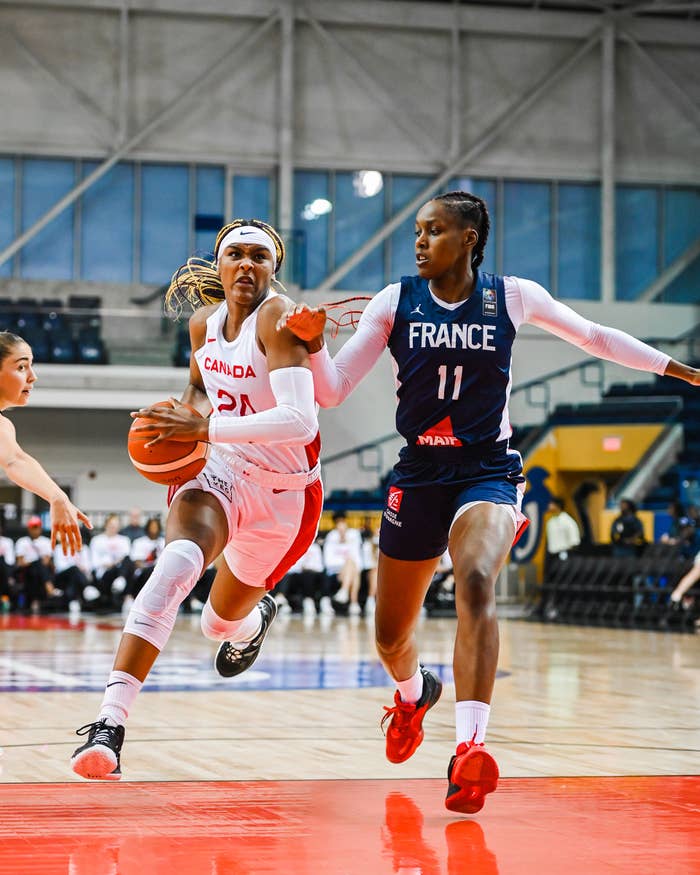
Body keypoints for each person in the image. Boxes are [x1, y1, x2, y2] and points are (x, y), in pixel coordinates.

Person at [277, 190, 700, 814]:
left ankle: (470, 749)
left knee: (476, 578)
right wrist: (312, 347)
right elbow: (334, 392)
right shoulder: (397, 302)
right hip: (419, 472)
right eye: (418, 231)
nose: (420, 241)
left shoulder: (513, 295)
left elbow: (595, 338)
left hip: (488, 471)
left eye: (435, 231)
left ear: (470, 237)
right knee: (391, 636)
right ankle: (412, 694)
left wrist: (685, 371)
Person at [70, 218, 323, 781]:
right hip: (223, 473)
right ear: (219, 263)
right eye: (236, 254)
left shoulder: (279, 318)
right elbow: (199, 392)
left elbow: (300, 421)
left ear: (273, 268)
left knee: (215, 624)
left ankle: (250, 619)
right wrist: (179, 424)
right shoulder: (203, 323)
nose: (247, 265)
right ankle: (110, 725)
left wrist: (204, 430)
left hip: (284, 495)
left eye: (260, 256)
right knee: (176, 565)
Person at [0, 332, 89, 574]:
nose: (33, 376)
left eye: (31, 366)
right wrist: (57, 496)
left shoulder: (4, 426)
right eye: (21, 367)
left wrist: (58, 496)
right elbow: (14, 461)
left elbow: (16, 459)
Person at [323, 511, 363, 615]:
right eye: (338, 522)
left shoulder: (354, 534)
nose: (341, 524)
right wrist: (343, 565)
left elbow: (357, 556)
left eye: (342, 521)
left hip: (351, 569)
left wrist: (345, 538)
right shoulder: (331, 536)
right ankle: (354, 604)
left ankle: (344, 591)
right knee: (352, 567)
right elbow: (328, 561)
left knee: (352, 566)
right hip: (335, 571)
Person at [544, 496, 580, 580]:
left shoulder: (568, 521)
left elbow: (574, 542)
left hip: (563, 556)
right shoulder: (551, 521)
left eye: (551, 504)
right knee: (551, 579)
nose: (549, 506)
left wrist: (566, 555)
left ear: (557, 506)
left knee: (563, 579)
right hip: (551, 556)